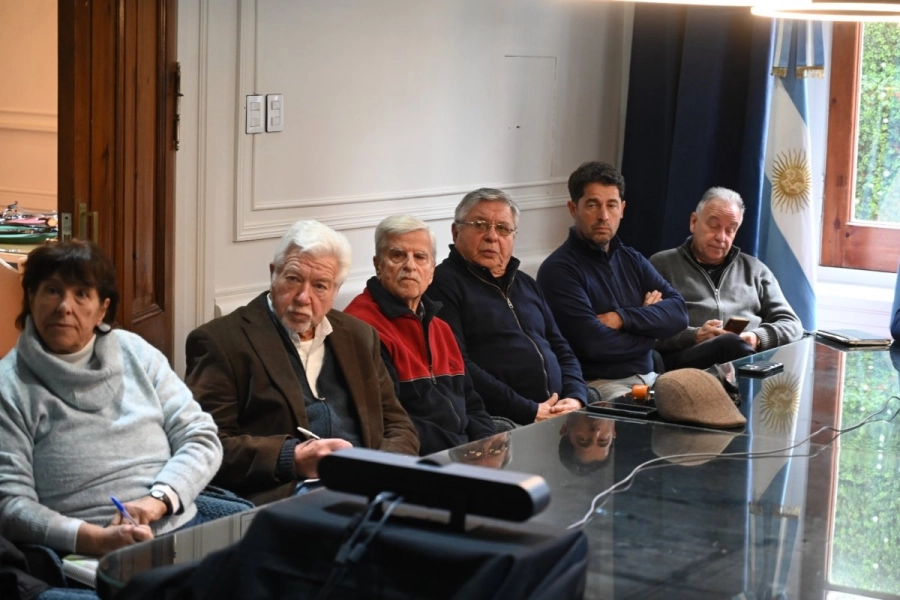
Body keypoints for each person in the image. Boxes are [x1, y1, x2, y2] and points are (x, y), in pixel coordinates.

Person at [0, 241, 223, 558]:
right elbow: (10, 505)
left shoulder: (136, 352)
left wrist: (158, 500)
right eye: (52, 290)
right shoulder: (9, 386)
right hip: (88, 555)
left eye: (81, 294)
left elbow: (200, 436)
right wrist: (94, 539)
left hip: (183, 530)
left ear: (102, 309)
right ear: (31, 298)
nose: (65, 306)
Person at [184, 220, 419, 505]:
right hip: (286, 495)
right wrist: (291, 458)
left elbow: (398, 423)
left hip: (368, 489)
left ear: (335, 290)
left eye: (319, 286)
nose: (303, 297)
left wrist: (379, 467)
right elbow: (205, 445)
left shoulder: (359, 336)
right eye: (293, 279)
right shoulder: (220, 341)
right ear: (274, 274)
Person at [427, 188, 588, 426]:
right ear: (455, 231)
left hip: (556, 410)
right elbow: (457, 365)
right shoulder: (442, 284)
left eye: (502, 228)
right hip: (500, 417)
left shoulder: (526, 284)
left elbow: (562, 349)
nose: (492, 236)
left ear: (513, 236)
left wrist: (575, 397)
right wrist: (528, 409)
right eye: (479, 224)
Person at [344, 215, 496, 455]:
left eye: (420, 257)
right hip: (417, 461)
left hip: (464, 452)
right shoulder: (361, 326)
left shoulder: (441, 328)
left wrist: (486, 444)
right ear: (377, 265)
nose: (410, 266)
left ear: (432, 270)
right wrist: (464, 450)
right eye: (397, 255)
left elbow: (473, 403)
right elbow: (388, 423)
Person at [537, 161, 688, 400]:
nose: (603, 216)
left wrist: (622, 318)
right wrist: (652, 332)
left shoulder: (632, 259)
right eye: (592, 205)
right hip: (601, 386)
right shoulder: (558, 270)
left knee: (704, 404)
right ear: (573, 208)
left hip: (651, 377)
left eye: (612, 205)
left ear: (623, 209)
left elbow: (679, 313)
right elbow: (594, 344)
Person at [649, 187, 803, 370]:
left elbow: (792, 325)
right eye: (714, 226)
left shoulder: (755, 270)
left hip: (744, 356)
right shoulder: (662, 265)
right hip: (686, 363)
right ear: (693, 222)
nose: (721, 237)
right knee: (729, 344)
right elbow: (647, 329)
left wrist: (756, 338)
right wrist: (695, 335)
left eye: (730, 230)